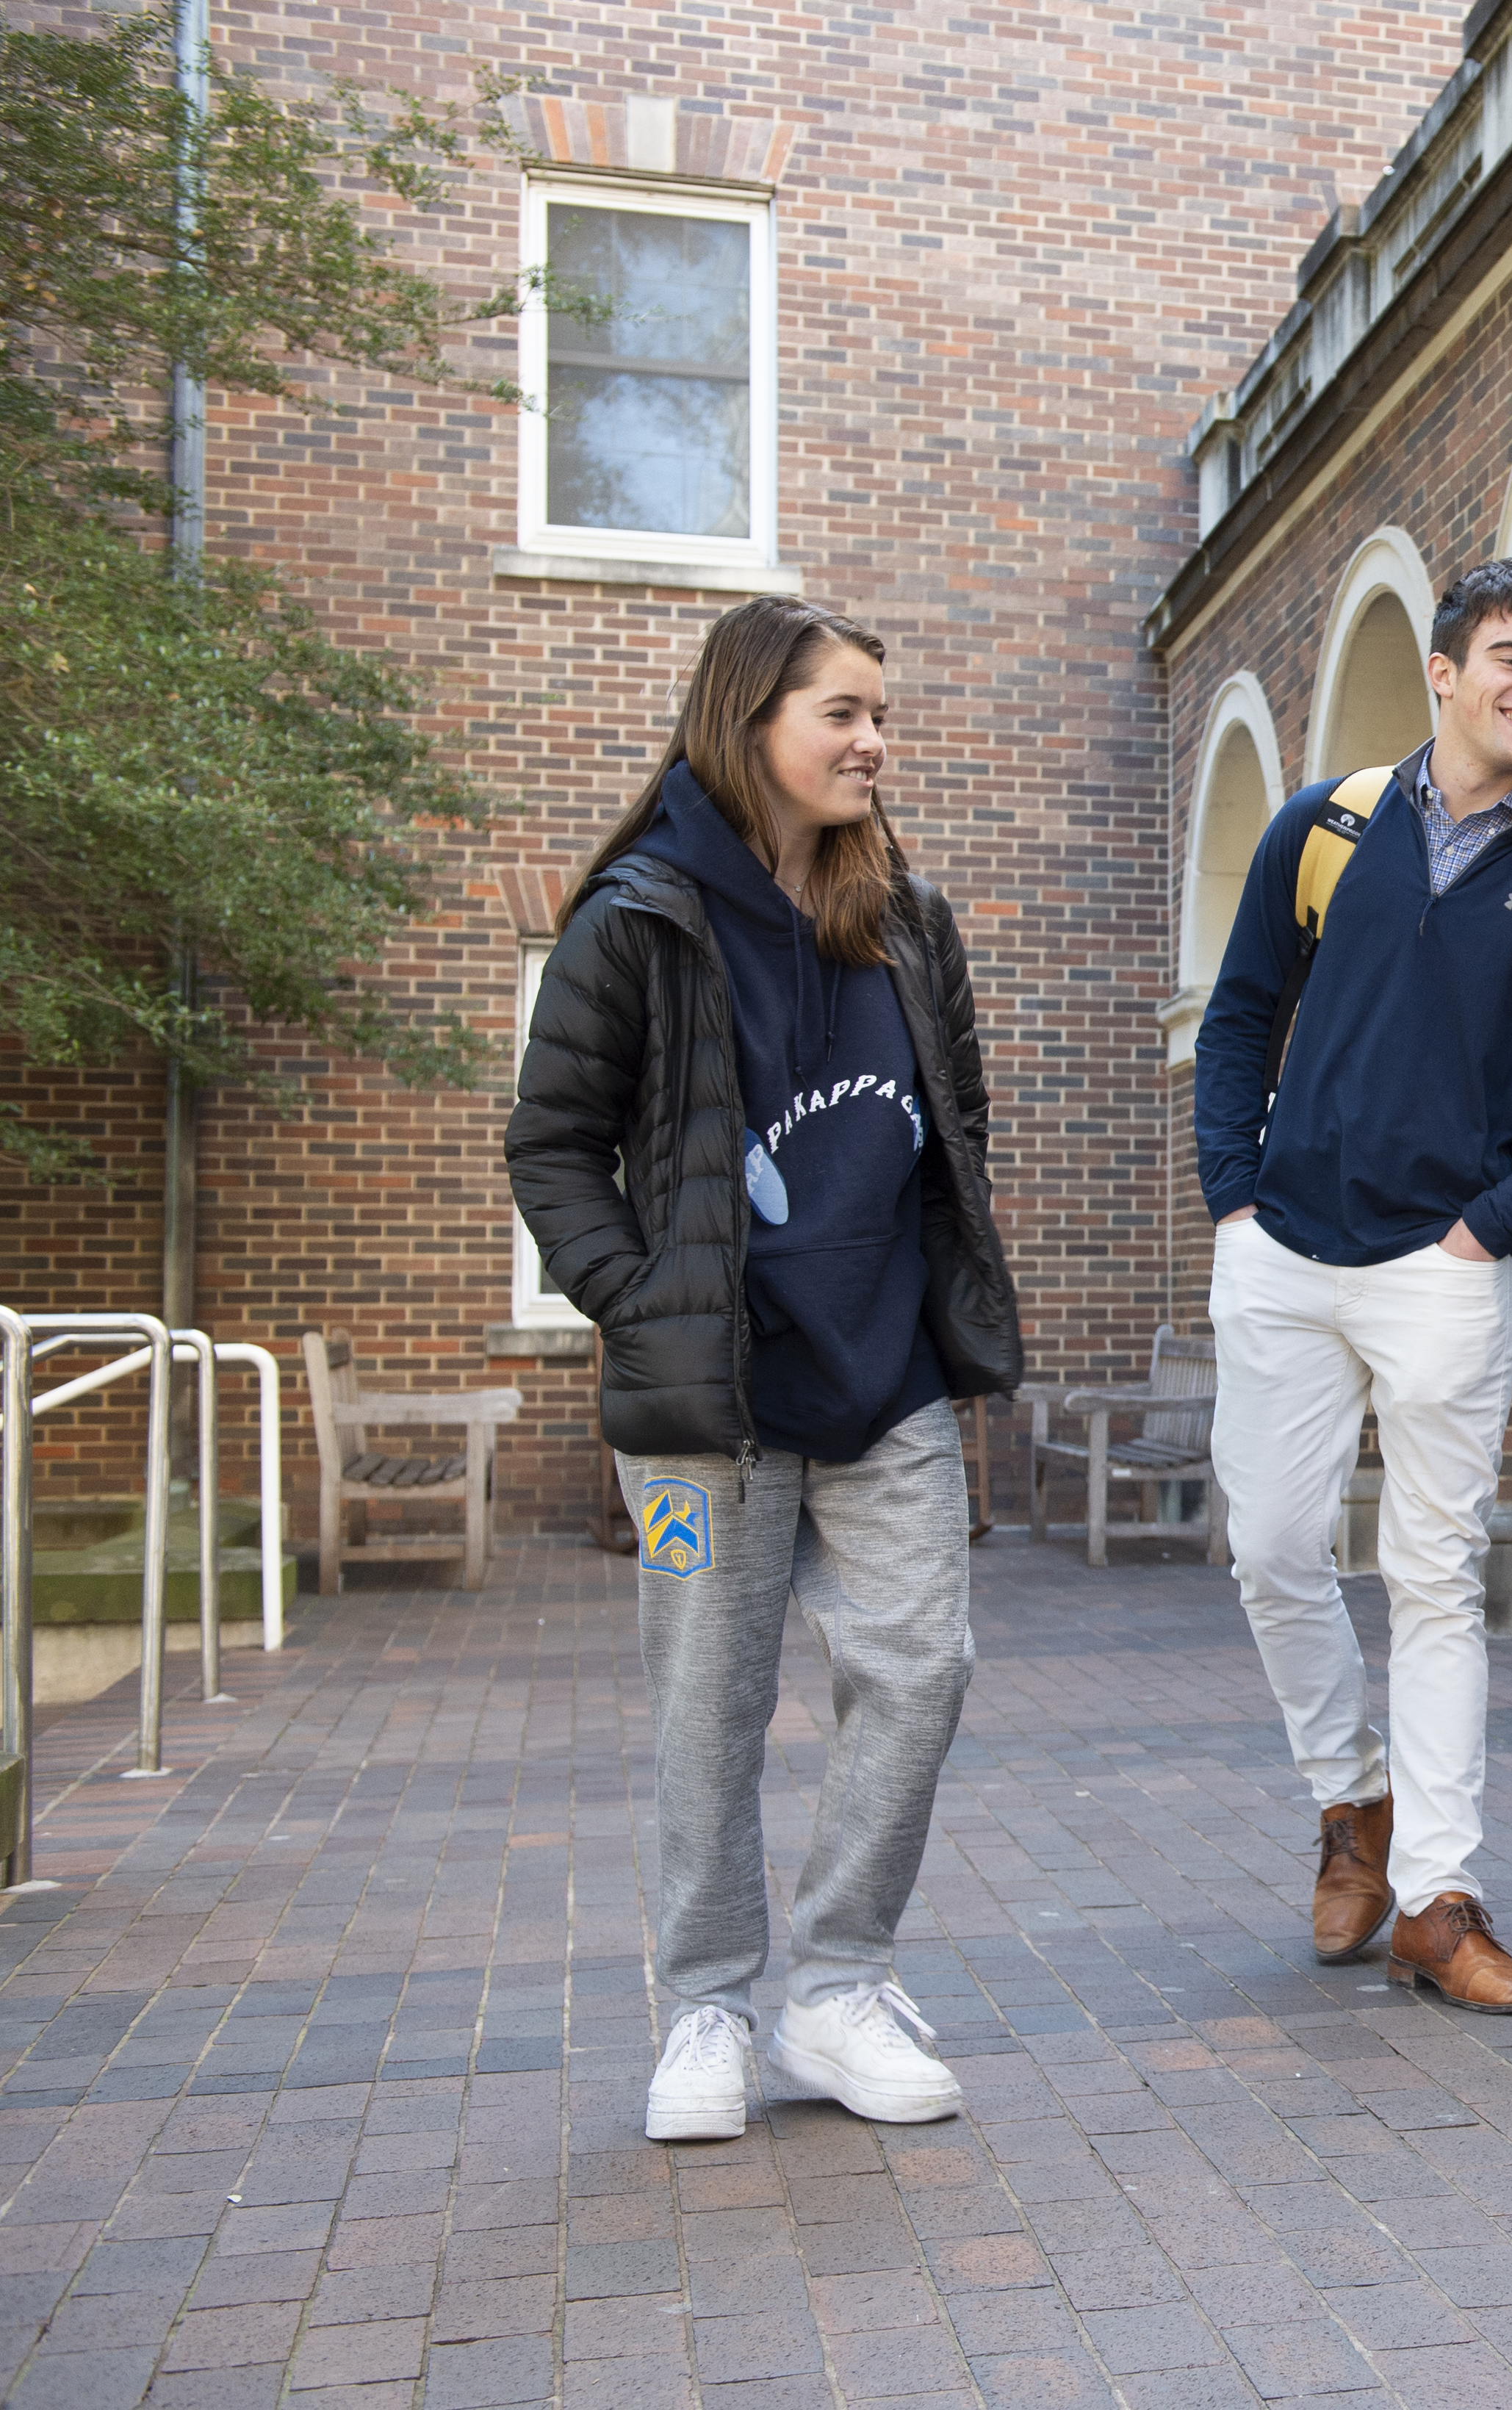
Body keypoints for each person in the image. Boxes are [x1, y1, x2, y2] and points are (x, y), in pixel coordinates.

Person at [508, 596, 1024, 2144]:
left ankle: (839, 1983)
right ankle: (708, 2008)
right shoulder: (640, 916)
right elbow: (551, 1149)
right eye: (842, 712)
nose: (874, 739)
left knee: (921, 1668)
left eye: (881, 713)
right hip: (703, 1417)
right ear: (750, 723)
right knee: (706, 1708)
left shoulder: (907, 918)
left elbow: (961, 1119)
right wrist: (641, 1298)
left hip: (890, 1387)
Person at [1192, 553, 1512, 2014]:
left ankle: (1438, 1895)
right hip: (1283, 1248)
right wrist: (1234, 1198)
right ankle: (1354, 1805)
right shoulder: (1322, 829)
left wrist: (1487, 1228)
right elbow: (1241, 1019)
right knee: (1272, 1547)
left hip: (1441, 1271)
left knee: (1435, 1580)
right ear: (1447, 675)